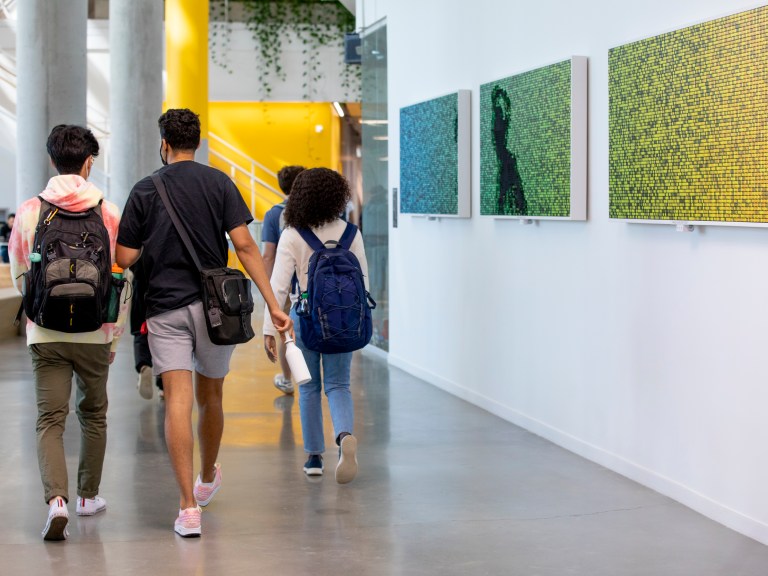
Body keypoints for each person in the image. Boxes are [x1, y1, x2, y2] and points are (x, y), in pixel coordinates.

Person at [116, 108, 292, 538]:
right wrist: (272, 305)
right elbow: (247, 246)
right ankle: (209, 474)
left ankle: (187, 509)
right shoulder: (219, 183)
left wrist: (152, 247)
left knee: (177, 399)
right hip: (217, 309)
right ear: (197, 142)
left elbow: (123, 258)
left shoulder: (144, 189)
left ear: (164, 143)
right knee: (210, 395)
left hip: (165, 307)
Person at [9, 125, 125, 541]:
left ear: (51, 160)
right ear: (89, 162)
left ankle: (56, 500)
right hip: (95, 331)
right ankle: (87, 497)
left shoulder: (28, 212)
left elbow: (22, 273)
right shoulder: (109, 212)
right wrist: (114, 334)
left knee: (49, 419)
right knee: (93, 414)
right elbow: (118, 277)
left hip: (46, 331)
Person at [263, 167, 369, 484]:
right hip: (342, 321)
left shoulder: (292, 235)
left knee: (308, 387)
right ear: (338, 197)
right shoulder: (352, 233)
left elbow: (278, 287)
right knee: (339, 385)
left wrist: (269, 329)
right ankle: (344, 436)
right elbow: (363, 283)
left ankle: (313, 457)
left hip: (302, 321)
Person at [261, 164, 305, 395]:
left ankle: (288, 379)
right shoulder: (316, 211)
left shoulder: (274, 214)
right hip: (310, 281)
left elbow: (268, 255)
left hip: (285, 282)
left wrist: (268, 291)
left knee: (286, 333)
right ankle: (310, 379)